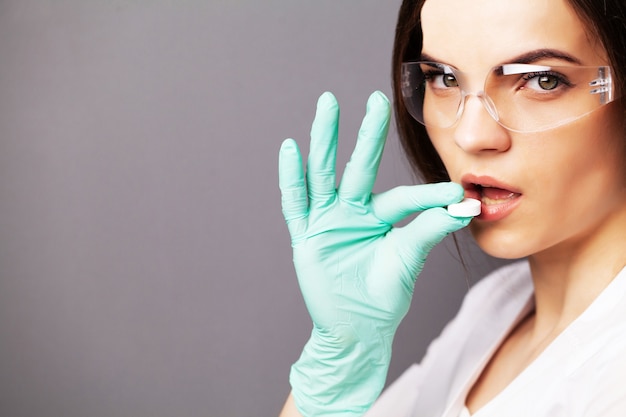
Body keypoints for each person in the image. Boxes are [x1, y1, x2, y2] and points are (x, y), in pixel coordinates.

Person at [278, 0, 626, 415]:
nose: (471, 134)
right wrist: (335, 370)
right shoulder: (496, 305)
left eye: (543, 80)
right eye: (443, 78)